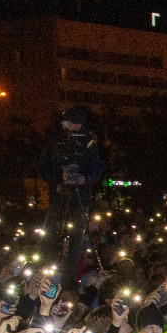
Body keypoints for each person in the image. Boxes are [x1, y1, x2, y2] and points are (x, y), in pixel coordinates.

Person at [39, 107, 104, 288]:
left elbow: (97, 170)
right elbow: (43, 168)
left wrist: (86, 179)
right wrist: (56, 183)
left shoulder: (88, 143)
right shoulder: (55, 142)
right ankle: (46, 273)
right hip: (59, 195)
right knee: (51, 233)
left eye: (79, 123)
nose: (76, 127)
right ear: (66, 122)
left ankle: (69, 279)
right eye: (73, 123)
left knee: (76, 237)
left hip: (81, 195)